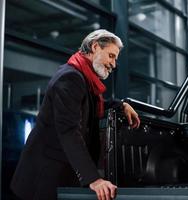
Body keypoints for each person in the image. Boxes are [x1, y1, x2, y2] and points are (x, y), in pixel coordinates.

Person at [11, 29, 140, 200]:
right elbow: (68, 130)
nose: (114, 64)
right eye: (111, 56)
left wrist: (121, 105)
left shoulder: (83, 78)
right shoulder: (70, 78)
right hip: (44, 175)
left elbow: (89, 106)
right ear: (95, 47)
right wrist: (94, 179)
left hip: (59, 171)